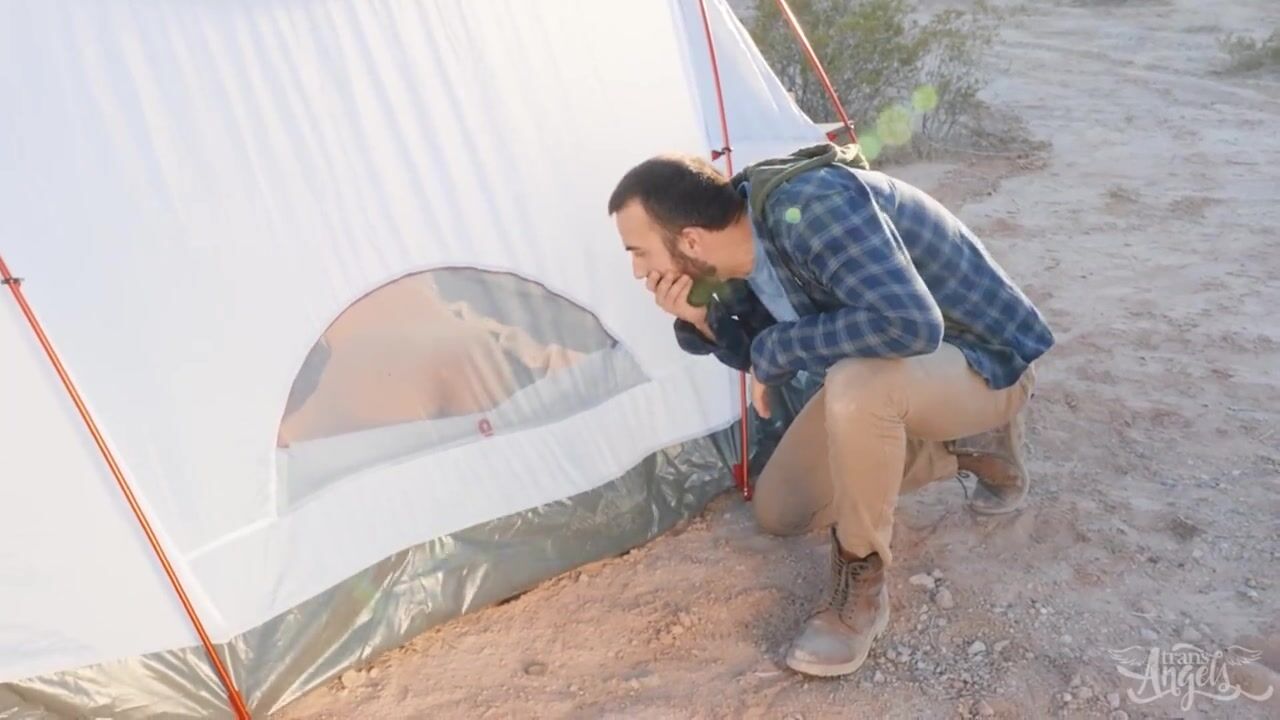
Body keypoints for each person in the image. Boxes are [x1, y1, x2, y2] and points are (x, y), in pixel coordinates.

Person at [606, 145, 1054, 678]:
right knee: (782, 512)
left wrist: (777, 350)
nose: (638, 271)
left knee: (855, 385)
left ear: (690, 240)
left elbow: (912, 325)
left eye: (639, 252)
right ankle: (968, 447)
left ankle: (859, 593)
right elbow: (760, 355)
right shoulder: (736, 257)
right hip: (895, 376)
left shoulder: (810, 209)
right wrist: (703, 319)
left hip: (985, 362)